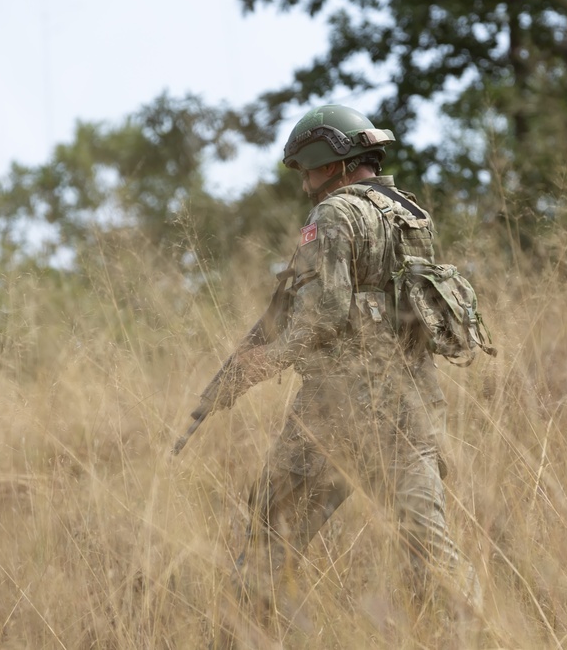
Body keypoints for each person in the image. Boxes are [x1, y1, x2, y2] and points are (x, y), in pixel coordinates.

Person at [202, 104, 482, 648]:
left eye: (306, 169)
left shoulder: (331, 215)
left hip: (338, 407)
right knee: (428, 544)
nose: (304, 183)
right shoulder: (411, 212)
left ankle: (242, 639)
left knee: (270, 534)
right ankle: (476, 635)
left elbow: (325, 311)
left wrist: (266, 363)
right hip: (413, 402)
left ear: (329, 161)